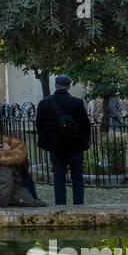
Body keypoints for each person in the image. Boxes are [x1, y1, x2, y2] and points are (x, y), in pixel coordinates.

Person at [35, 73, 91, 205]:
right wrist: (85, 142)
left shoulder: (44, 103)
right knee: (77, 177)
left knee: (59, 178)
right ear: (68, 86)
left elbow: (39, 125)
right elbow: (85, 125)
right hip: (75, 146)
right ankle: (78, 204)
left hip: (55, 146)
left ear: (55, 85)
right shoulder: (76, 103)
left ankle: (60, 205)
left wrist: (48, 142)